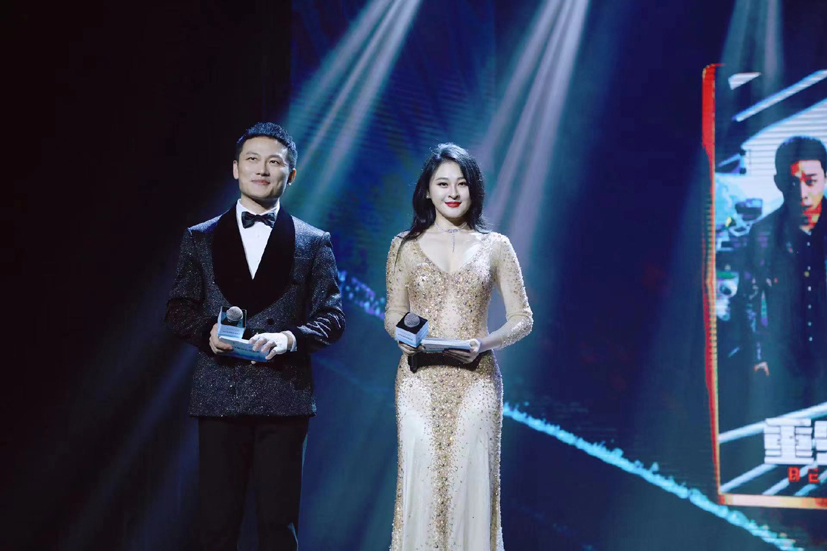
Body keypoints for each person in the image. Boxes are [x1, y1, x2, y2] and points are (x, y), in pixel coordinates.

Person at [165, 122, 345, 550]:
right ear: (235, 168)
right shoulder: (201, 237)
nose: (262, 169)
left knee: (278, 527)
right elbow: (177, 309)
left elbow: (332, 317)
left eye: (274, 162)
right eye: (252, 159)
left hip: (284, 398)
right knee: (216, 526)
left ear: (291, 174)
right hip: (219, 395)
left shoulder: (313, 241)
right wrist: (207, 331)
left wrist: (289, 338)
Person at [384, 143, 533, 550]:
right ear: (427, 190)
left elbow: (523, 318)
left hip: (476, 380)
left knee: (472, 482)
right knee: (421, 480)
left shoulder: (496, 246)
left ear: (474, 190)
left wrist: (483, 343)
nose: (452, 192)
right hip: (418, 381)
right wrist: (405, 337)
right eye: (443, 183)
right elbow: (393, 312)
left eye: (461, 183)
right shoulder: (403, 245)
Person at [739, 135, 826, 417]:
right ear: (778, 183)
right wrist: (758, 356)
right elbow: (750, 299)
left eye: (811, 181)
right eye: (792, 183)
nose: (802, 193)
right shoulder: (763, 233)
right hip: (784, 362)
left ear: (826, 177)